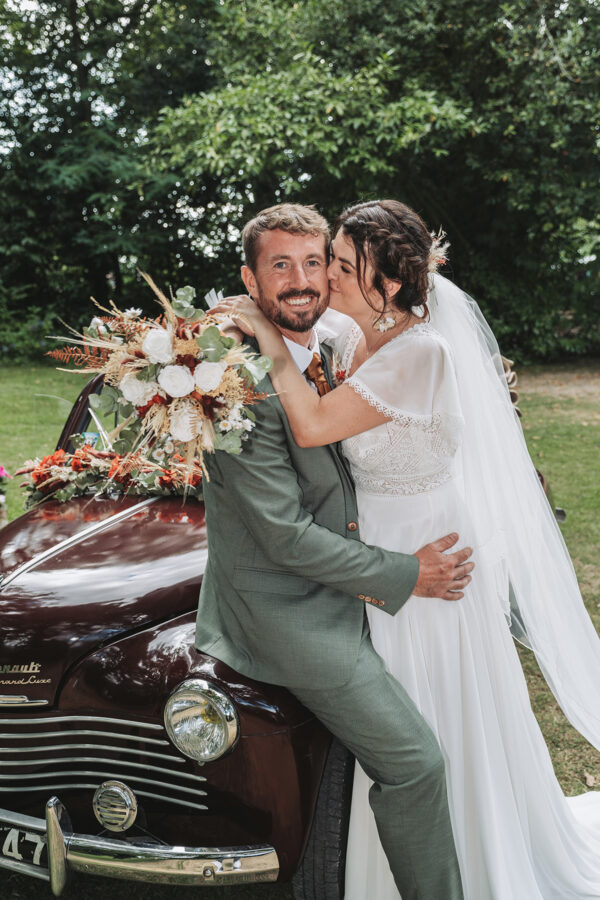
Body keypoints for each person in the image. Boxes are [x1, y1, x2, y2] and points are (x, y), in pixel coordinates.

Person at [221, 199, 600, 900]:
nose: (325, 278)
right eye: (325, 261)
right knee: (403, 708)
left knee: (436, 711)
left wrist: (269, 347)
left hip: (428, 549)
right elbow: (293, 305)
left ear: (386, 284)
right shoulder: (352, 331)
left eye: (338, 264)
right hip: (385, 546)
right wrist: (237, 319)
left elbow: (311, 427)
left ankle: (476, 860)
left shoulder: (421, 352)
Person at [195, 203, 469, 899]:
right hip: (294, 609)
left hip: (347, 578)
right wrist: (407, 573)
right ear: (248, 281)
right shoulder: (235, 380)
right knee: (416, 763)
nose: (301, 281)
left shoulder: (331, 342)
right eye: (279, 266)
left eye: (316, 262)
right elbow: (283, 536)